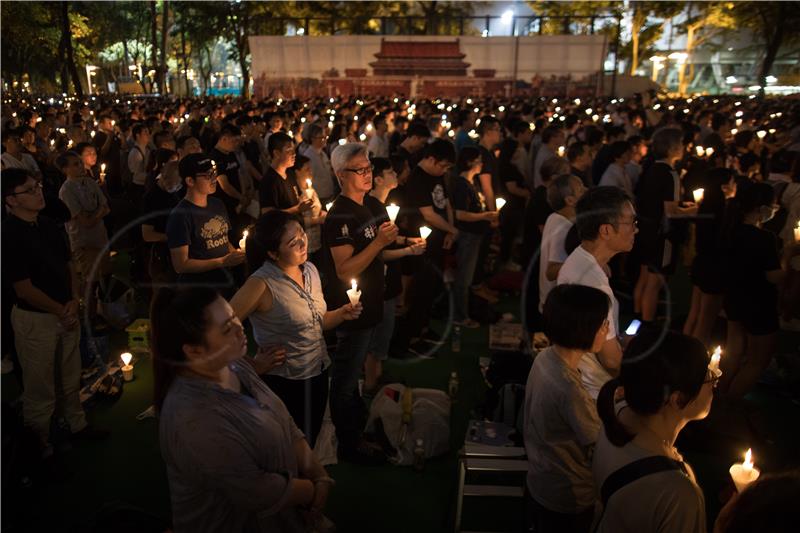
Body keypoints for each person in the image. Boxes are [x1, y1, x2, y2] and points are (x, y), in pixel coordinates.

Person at [152, 287, 334, 533]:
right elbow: (257, 491)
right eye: (227, 328)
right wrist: (313, 492)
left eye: (234, 316)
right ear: (194, 350)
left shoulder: (234, 363)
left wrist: (317, 472)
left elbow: (284, 422)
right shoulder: (194, 421)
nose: (241, 328)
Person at [3, 168, 109, 467]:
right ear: (10, 200)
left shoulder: (49, 225)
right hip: (36, 319)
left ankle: (77, 424)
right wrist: (59, 309)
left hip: (65, 312)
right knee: (40, 388)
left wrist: (73, 302)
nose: (39, 193)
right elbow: (23, 288)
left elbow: (68, 266)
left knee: (69, 374)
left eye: (37, 187)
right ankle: (41, 446)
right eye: (29, 190)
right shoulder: (9, 235)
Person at [230, 211, 362, 447]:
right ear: (273, 253)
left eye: (302, 233)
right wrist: (253, 365)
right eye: (293, 242)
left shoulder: (309, 269)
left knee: (308, 441)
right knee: (285, 449)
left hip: (318, 372)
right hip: (286, 383)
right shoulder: (261, 284)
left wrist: (342, 313)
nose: (303, 242)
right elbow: (217, 332)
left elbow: (318, 321)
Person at [593, 329, 716, 533]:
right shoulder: (679, 493)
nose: (714, 382)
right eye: (708, 376)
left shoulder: (616, 413)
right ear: (677, 399)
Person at [323, 142, 398, 463]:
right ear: (341, 175)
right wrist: (380, 241)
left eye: (369, 168)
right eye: (360, 170)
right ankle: (348, 444)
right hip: (350, 310)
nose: (368, 175)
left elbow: (373, 251)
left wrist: (396, 243)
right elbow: (345, 270)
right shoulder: (339, 214)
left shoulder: (365, 204)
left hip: (370, 305)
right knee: (343, 379)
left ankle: (355, 428)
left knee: (351, 374)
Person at [523, 284, 609, 533]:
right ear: (584, 328)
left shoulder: (545, 357)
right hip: (567, 496)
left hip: (540, 478)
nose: (607, 330)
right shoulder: (568, 389)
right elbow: (598, 444)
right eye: (603, 324)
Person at [557, 186, 638, 398]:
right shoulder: (594, 284)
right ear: (606, 230)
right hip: (595, 392)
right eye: (631, 223)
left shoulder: (577, 258)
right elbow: (611, 361)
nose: (635, 230)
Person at [364, 157, 425, 386]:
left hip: (388, 279)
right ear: (377, 179)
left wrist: (408, 239)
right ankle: (371, 383)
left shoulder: (381, 205)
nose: (395, 175)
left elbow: (387, 241)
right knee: (378, 334)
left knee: (384, 331)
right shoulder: (370, 207)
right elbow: (379, 252)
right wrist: (410, 250)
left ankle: (377, 376)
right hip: (379, 281)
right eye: (390, 172)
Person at [720, 182, 784, 399]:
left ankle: (716, 397)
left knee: (733, 352)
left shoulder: (729, 229)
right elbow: (774, 276)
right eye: (773, 205)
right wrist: (790, 252)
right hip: (759, 303)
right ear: (760, 208)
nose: (775, 209)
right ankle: (731, 403)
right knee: (758, 360)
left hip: (734, 298)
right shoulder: (764, 238)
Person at [634, 127, 696, 324]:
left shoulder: (650, 169)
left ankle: (637, 316)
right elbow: (671, 211)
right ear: (672, 148)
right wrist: (694, 210)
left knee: (644, 276)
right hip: (662, 235)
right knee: (655, 281)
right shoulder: (670, 174)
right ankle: (648, 324)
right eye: (680, 145)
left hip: (644, 229)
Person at [403, 139, 459, 351]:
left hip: (439, 241)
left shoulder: (438, 176)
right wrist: (452, 230)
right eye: (443, 166)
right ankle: (414, 336)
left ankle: (424, 328)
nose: (444, 171)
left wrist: (450, 230)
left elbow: (446, 204)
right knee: (421, 290)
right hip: (421, 243)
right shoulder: (418, 179)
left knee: (432, 287)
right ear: (431, 159)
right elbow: (428, 214)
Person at [166, 153, 245, 297]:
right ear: (190, 181)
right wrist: (221, 262)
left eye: (214, 173)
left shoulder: (217, 204)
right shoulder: (180, 215)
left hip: (225, 281)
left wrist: (236, 254)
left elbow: (223, 239)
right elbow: (181, 264)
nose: (214, 178)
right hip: (200, 290)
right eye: (207, 175)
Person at [683, 168, 737, 346]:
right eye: (731, 182)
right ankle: (693, 359)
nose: (734, 185)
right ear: (724, 186)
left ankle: (682, 348)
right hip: (715, 267)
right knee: (705, 322)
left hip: (701, 262)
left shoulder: (706, 206)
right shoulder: (723, 211)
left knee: (694, 314)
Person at [57, 151, 111, 321]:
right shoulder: (66, 191)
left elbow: (106, 207)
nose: (80, 166)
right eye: (75, 164)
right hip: (84, 241)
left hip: (100, 237)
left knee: (104, 276)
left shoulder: (89, 182)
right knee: (90, 281)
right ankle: (89, 317)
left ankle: (103, 312)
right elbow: (84, 221)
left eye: (80, 163)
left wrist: (95, 215)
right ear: (65, 169)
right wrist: (97, 214)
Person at [451, 146, 498, 328]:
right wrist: (485, 216)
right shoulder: (462, 186)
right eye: (478, 161)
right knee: (464, 278)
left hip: (476, 234)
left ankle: (465, 311)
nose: (481, 164)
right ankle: (460, 316)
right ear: (470, 162)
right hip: (468, 235)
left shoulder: (472, 183)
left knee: (467, 277)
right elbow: (460, 214)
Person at [538, 174, 587, 313]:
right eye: (581, 190)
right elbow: (551, 272)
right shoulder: (563, 227)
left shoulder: (554, 217)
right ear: (570, 200)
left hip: (553, 301)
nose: (586, 190)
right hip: (560, 305)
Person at [141, 160, 184, 284]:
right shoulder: (151, 198)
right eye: (175, 184)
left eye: (179, 185)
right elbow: (147, 235)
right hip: (161, 256)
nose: (177, 187)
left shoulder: (173, 192)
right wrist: (172, 237)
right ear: (164, 178)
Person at [260, 132, 314, 216]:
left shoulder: (290, 173)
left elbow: (298, 198)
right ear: (276, 153)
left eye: (294, 150)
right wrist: (297, 209)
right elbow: (268, 214)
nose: (294, 154)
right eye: (289, 150)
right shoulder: (269, 181)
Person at [291, 154, 327, 266]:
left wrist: (324, 213)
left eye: (310, 169)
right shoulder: (296, 194)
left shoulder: (311, 189)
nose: (310, 172)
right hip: (306, 245)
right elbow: (297, 220)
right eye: (307, 169)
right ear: (297, 172)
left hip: (318, 240)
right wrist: (318, 220)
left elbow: (318, 209)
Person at [301, 124, 336, 203]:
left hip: (329, 193)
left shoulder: (323, 153)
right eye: (321, 138)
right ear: (312, 139)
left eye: (325, 137)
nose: (324, 140)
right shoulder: (308, 157)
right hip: (319, 197)